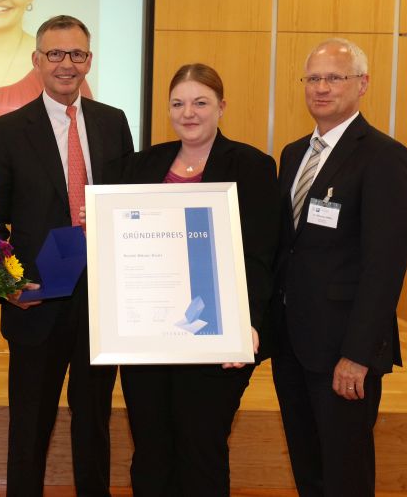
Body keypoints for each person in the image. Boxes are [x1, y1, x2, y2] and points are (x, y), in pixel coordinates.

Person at [108, 63, 280, 496]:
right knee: (150, 450)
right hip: (148, 338)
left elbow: (261, 255)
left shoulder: (252, 166)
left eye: (201, 102)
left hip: (216, 337)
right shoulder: (141, 165)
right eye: (178, 104)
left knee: (202, 449)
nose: (189, 113)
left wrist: (247, 323)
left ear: (221, 107)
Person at [0, 15, 134, 496]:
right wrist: (6, 287)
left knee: (94, 423)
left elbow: (127, 203)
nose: (67, 64)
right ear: (37, 60)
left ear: (89, 60)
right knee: (30, 426)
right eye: (55, 54)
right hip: (37, 299)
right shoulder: (7, 130)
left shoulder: (114, 122)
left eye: (77, 54)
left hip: (100, 301)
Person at [271, 39, 407, 497]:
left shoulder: (384, 156)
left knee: (345, 476)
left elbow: (385, 266)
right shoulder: (294, 154)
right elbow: (289, 249)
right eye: (313, 78)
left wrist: (357, 354)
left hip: (343, 351)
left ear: (363, 84)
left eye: (335, 77)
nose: (321, 88)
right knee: (308, 470)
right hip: (293, 345)